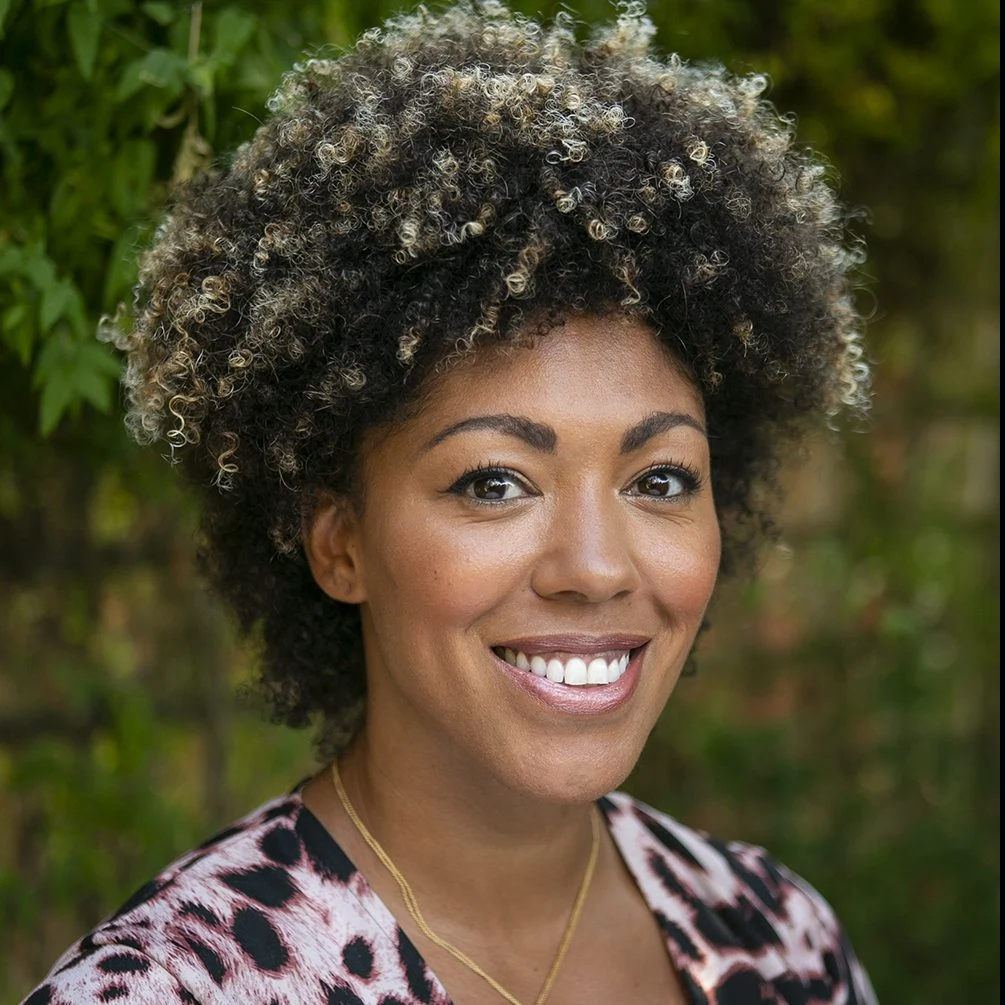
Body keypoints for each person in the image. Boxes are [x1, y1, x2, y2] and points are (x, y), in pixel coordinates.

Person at [22, 2, 877, 1003]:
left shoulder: (780, 942)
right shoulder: (174, 985)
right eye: (494, 482)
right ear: (339, 544)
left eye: (659, 480)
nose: (596, 567)